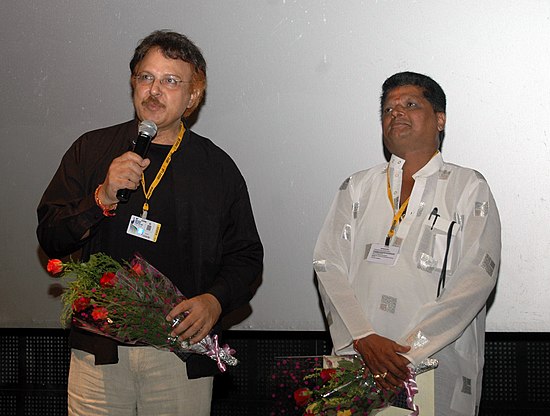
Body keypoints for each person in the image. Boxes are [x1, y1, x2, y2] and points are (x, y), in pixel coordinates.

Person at [37, 30, 263, 415]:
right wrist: (101, 198)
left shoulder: (217, 168)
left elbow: (246, 256)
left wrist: (215, 301)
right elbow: (51, 235)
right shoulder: (92, 149)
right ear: (133, 84)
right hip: (99, 354)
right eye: (146, 77)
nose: (155, 90)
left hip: (180, 356)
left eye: (171, 81)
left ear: (193, 97)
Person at [313, 71, 500, 415]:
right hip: (360, 359)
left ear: (439, 119)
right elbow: (327, 264)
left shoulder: (467, 186)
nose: (395, 113)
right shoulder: (357, 186)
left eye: (410, 104)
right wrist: (364, 337)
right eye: (387, 109)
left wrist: (406, 353)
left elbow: (477, 276)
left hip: (436, 364)